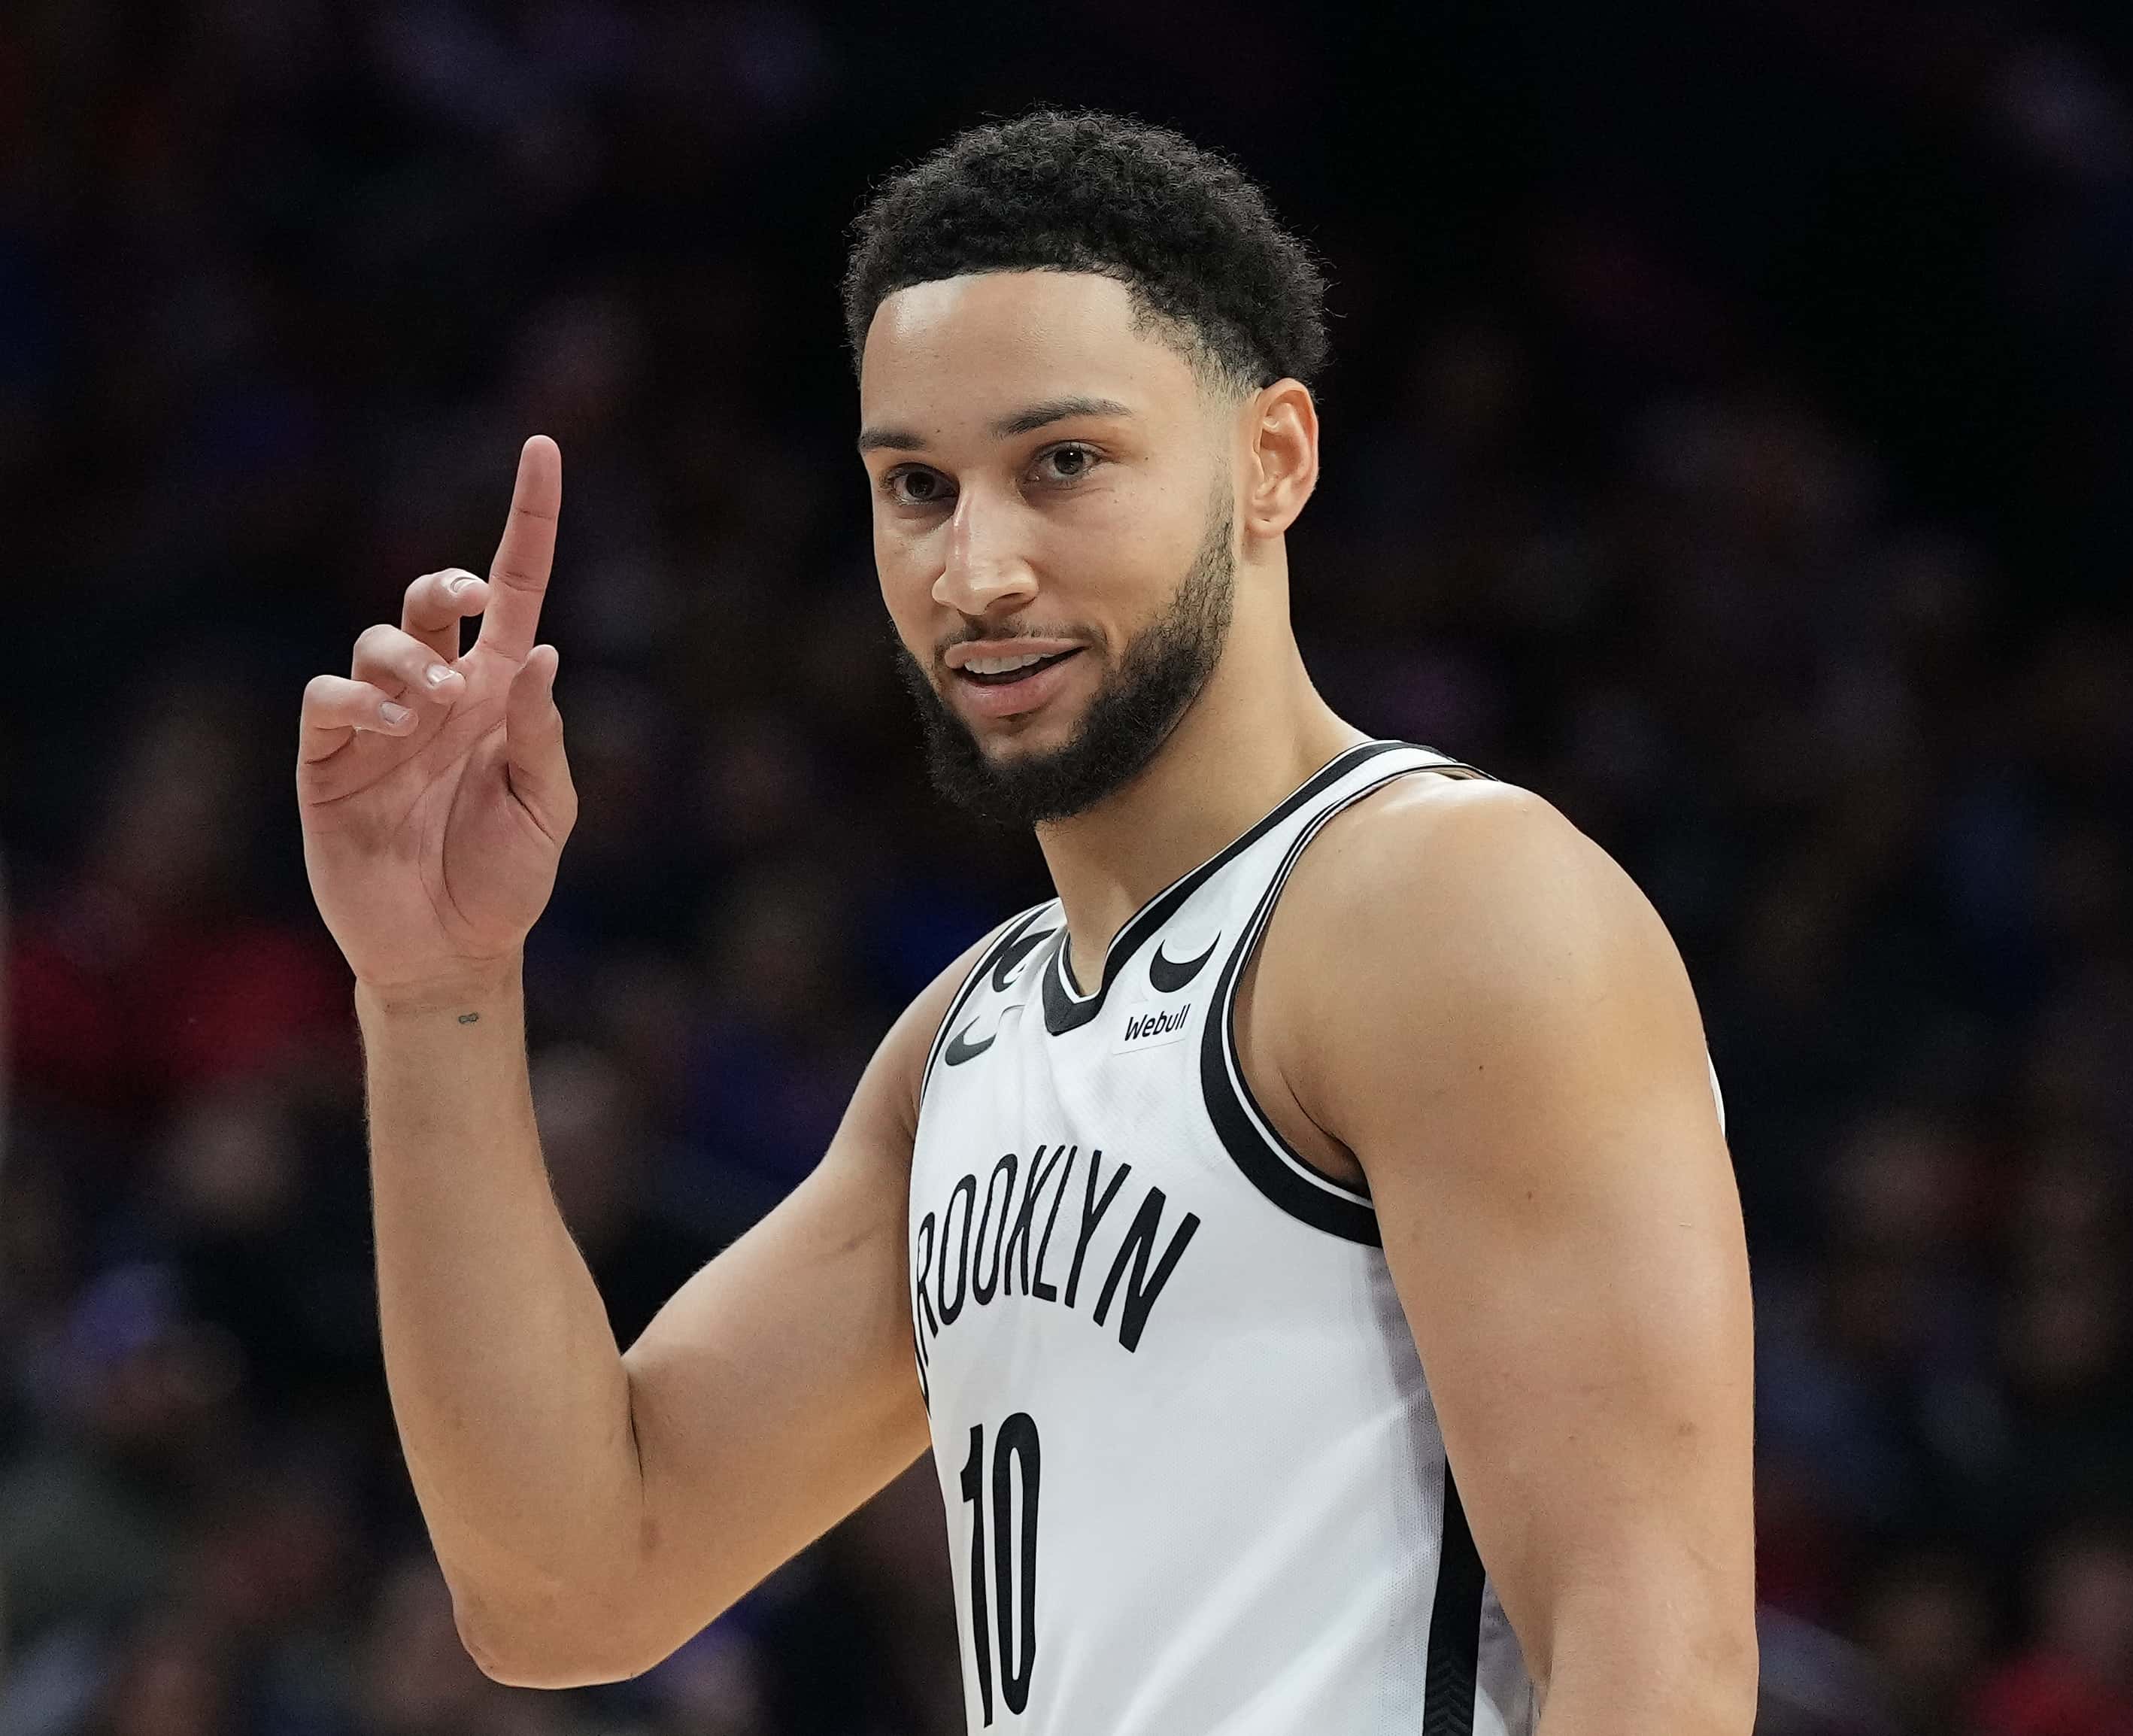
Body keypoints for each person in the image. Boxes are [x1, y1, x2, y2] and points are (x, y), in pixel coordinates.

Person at [295, 110, 1756, 1736]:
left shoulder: (1443, 905)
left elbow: (1658, 1661)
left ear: (1272, 457)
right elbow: (570, 1581)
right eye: (917, 486)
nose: (976, 567)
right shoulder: (972, 1036)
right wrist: (434, 988)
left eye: (1064, 462)